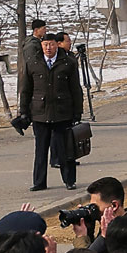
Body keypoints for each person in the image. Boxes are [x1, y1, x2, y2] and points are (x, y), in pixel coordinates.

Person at [18, 30, 84, 193]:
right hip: (40, 113)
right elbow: (26, 89)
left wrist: (77, 112)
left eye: (51, 45)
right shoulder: (33, 62)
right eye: (45, 45)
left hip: (62, 113)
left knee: (65, 150)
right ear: (41, 46)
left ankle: (69, 180)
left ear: (57, 45)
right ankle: (39, 182)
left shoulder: (68, 62)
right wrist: (24, 111)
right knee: (41, 150)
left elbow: (76, 89)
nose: (48, 48)